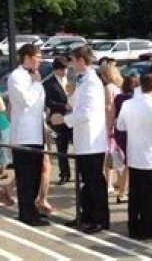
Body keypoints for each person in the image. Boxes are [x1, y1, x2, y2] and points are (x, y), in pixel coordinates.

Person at [54, 45, 109, 234]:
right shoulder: (82, 80)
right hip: (84, 140)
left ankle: (99, 219)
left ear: (81, 60)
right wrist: (70, 95)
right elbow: (76, 105)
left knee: (94, 181)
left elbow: (87, 113)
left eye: (72, 60)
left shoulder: (92, 82)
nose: (70, 64)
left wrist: (64, 119)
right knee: (86, 181)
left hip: (92, 141)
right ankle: (86, 215)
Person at [117, 74, 152, 239]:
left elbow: (120, 126)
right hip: (150, 157)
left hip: (133, 154)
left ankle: (133, 226)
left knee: (134, 194)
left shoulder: (128, 104)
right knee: (149, 196)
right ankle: (147, 228)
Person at [7, 43, 48, 227]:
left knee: (36, 175)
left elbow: (39, 105)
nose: (40, 60)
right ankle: (26, 213)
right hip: (23, 134)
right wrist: (37, 84)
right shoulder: (16, 76)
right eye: (38, 57)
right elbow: (26, 101)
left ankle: (32, 209)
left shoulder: (34, 76)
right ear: (28, 57)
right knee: (26, 177)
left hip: (36, 133)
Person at [43, 56, 73, 186]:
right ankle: (64, 174)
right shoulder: (48, 84)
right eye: (62, 69)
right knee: (62, 148)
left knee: (78, 146)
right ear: (55, 70)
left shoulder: (71, 81)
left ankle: (81, 173)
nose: (64, 72)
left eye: (66, 69)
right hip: (58, 119)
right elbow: (48, 101)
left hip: (74, 118)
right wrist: (63, 106)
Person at [112, 73, 140, 204]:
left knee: (124, 162)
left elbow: (112, 115)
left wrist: (109, 131)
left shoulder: (118, 98)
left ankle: (122, 188)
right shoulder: (135, 100)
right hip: (132, 132)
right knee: (129, 163)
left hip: (119, 131)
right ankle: (123, 192)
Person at [100, 64, 123, 193]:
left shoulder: (108, 88)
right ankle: (120, 181)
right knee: (118, 154)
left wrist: (108, 127)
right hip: (118, 122)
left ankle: (108, 184)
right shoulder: (118, 88)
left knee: (109, 154)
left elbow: (109, 107)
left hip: (109, 123)